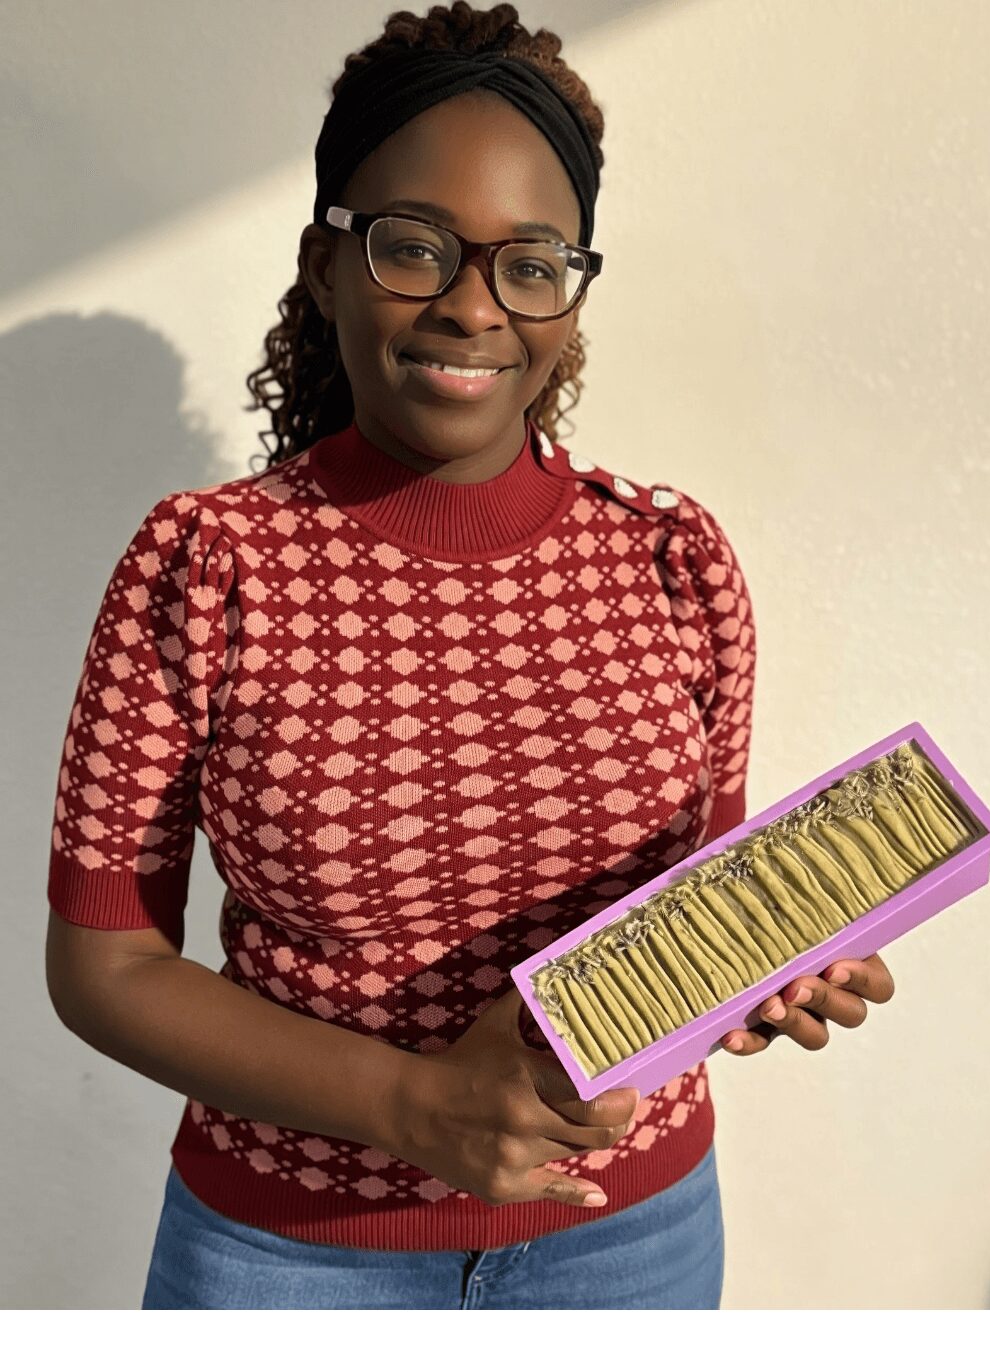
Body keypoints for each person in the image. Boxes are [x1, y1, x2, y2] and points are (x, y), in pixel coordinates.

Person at [44, 1, 894, 1311]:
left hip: (632, 1237)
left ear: (571, 290)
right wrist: (414, 1102)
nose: (471, 305)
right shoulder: (202, 565)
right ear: (325, 264)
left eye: (529, 262)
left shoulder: (674, 558)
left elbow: (689, 902)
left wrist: (761, 962)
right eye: (413, 247)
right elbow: (105, 963)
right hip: (288, 1250)